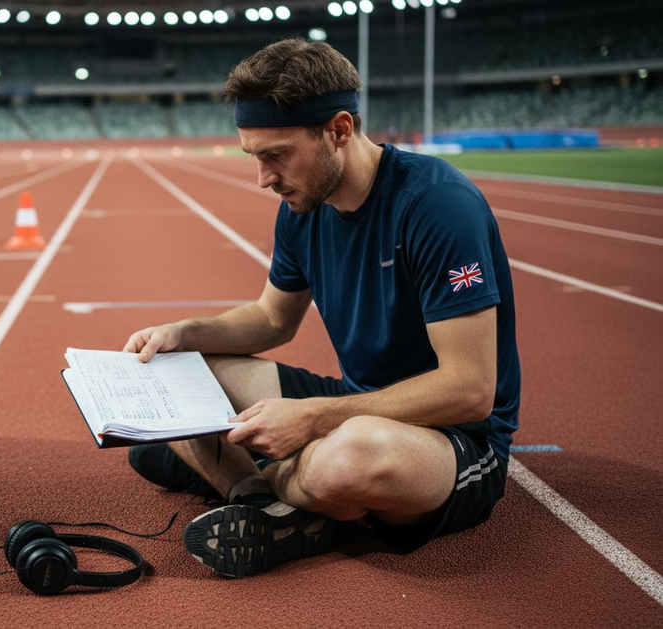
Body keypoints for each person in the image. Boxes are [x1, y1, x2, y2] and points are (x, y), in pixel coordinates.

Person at [122, 38, 520, 579]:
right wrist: (182, 333)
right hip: (354, 403)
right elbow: (271, 319)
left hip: (448, 436)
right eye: (254, 156)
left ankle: (255, 472)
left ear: (339, 129)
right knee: (177, 372)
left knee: (351, 456)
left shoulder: (437, 206)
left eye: (276, 155)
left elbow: (470, 391)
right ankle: (263, 501)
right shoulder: (303, 208)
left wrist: (311, 419)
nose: (264, 178)